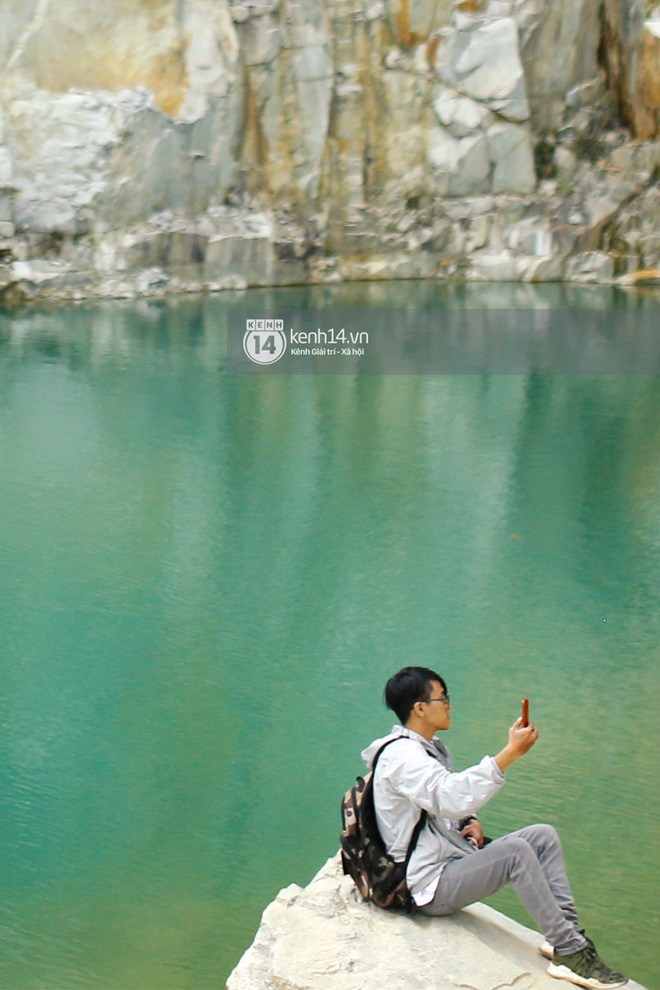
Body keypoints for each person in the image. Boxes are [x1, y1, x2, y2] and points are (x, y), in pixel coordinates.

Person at [361, 666, 628, 990]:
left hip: (445, 858)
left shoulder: (424, 747)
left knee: (542, 836)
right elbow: (449, 796)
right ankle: (571, 955)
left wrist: (467, 821)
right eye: (443, 698)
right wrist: (510, 753)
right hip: (424, 884)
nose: (449, 705)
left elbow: (439, 802)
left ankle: (566, 940)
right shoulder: (404, 756)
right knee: (515, 853)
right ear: (420, 708)